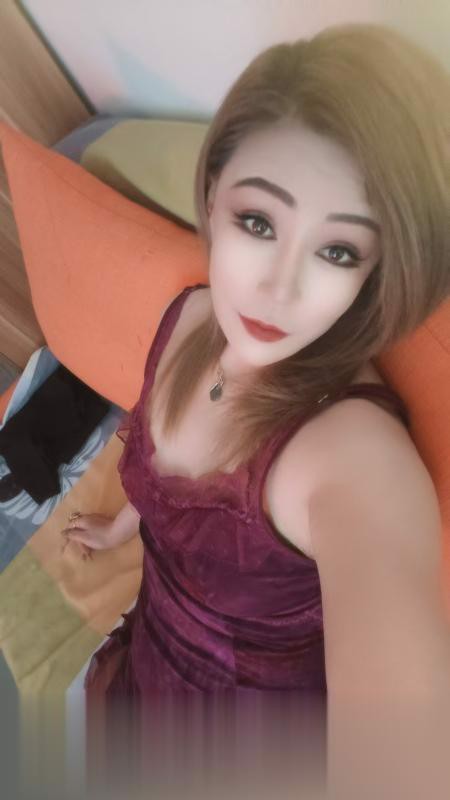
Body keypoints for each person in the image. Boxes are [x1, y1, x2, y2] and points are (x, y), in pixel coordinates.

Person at [61, 21, 450, 795]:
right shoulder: (189, 318)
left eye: (338, 251)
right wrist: (124, 525)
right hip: (147, 673)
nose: (279, 288)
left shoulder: (351, 459)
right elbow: (168, 477)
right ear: (213, 197)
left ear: (377, 272)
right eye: (258, 222)